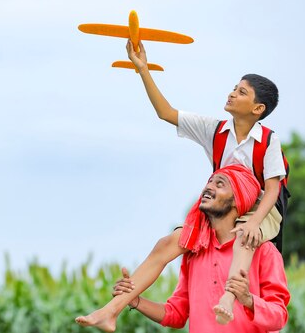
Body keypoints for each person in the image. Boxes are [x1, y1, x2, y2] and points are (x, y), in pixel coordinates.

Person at [76, 40, 287, 329]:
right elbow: (166, 112)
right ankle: (112, 309)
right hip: (227, 203)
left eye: (241, 92)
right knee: (168, 243)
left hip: (263, 208)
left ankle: (229, 297)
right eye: (234, 87)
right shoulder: (215, 130)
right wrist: (143, 70)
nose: (232, 93)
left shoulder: (268, 140)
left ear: (257, 108)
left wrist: (253, 224)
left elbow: (273, 189)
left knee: (244, 237)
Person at [77, 164, 290, 333]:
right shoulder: (194, 254)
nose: (209, 187)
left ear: (238, 201)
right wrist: (135, 300)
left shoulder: (264, 252)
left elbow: (279, 316)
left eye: (220, 184)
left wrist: (248, 300)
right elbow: (176, 314)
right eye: (209, 182)